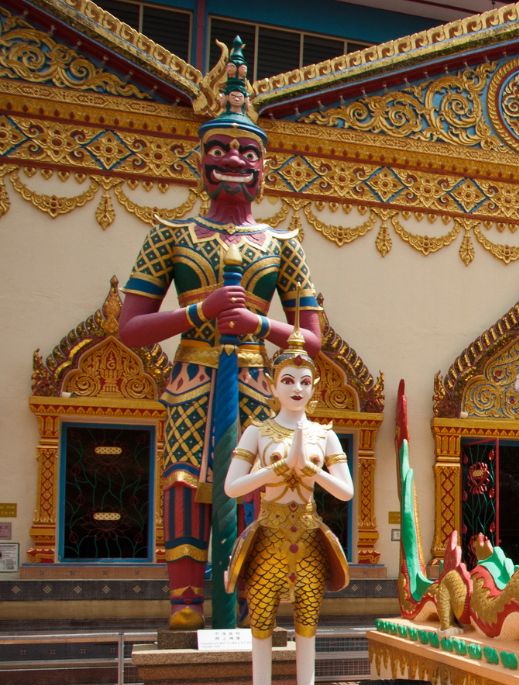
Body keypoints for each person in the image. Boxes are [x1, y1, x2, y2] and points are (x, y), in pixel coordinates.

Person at [117, 37, 323, 630]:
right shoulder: (172, 235)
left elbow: (311, 340)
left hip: (260, 378)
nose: (233, 158)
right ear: (200, 161)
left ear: (263, 167)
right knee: (185, 483)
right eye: (220, 148)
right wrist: (198, 312)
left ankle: (251, 603)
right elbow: (130, 328)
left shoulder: (283, 245)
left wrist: (257, 322)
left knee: (259, 485)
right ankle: (185, 608)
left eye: (246, 150)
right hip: (192, 375)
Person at [223, 331, 351, 685]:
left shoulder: (324, 434)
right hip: (270, 534)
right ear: (272, 385)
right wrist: (275, 468)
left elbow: (345, 492)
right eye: (289, 380)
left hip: (309, 533)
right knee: (261, 620)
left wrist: (315, 471)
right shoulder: (257, 432)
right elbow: (231, 486)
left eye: (305, 381)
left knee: (307, 622)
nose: (297, 388)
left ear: (315, 388)